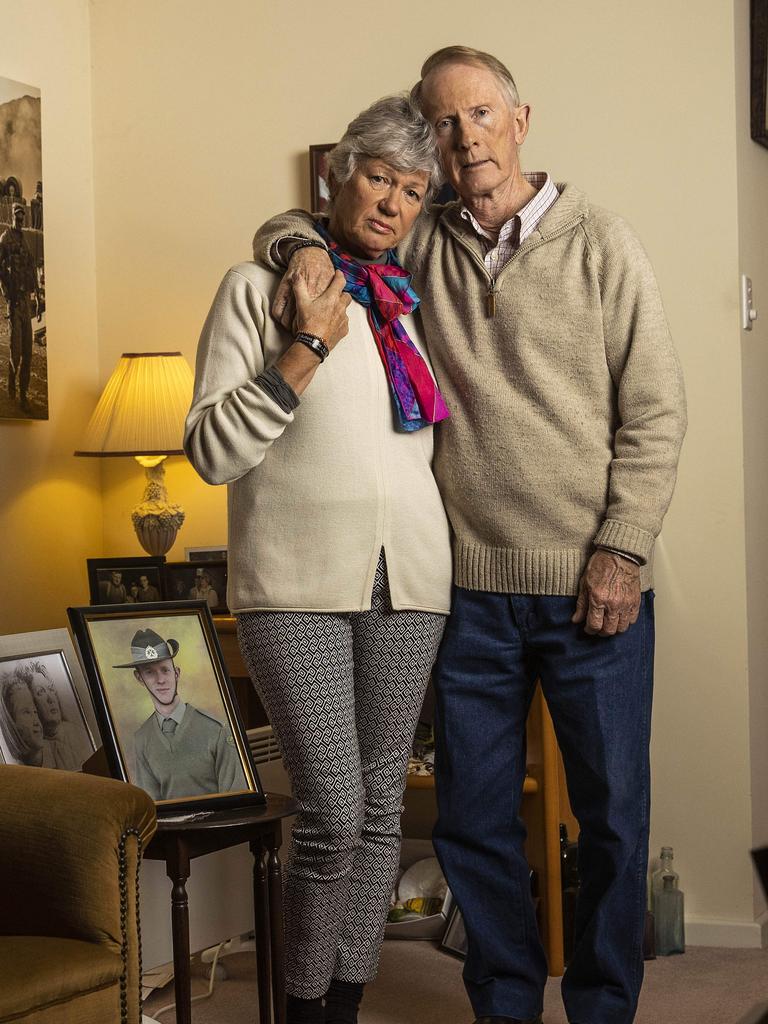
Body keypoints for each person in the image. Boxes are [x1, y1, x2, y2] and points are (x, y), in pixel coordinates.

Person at [253, 47, 687, 1024]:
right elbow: (304, 221)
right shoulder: (419, 244)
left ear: (521, 120)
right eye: (443, 124)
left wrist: (624, 547)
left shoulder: (601, 241)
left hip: (594, 584)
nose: (465, 138)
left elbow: (656, 411)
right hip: (467, 593)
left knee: (614, 816)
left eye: (481, 115)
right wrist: (300, 249)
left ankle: (606, 1002)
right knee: (473, 822)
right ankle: (503, 1002)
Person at [185, 94, 452, 1024]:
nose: (392, 204)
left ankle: (343, 1000)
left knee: (383, 813)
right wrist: (302, 349)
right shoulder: (258, 288)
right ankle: (302, 1008)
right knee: (332, 813)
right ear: (340, 171)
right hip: (293, 583)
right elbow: (213, 450)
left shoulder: (407, 309)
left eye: (413, 191)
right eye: (379, 177)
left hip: (412, 581)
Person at [114, 627, 247, 801]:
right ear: (139, 678)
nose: (160, 680)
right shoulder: (142, 739)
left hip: (216, 826)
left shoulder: (217, 729)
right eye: (149, 672)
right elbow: (150, 807)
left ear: (177, 673)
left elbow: (236, 801)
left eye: (165, 670)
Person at [0, 202, 42, 412]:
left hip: (26, 302)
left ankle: (23, 394)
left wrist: (38, 296)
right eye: (17, 216)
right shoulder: (5, 239)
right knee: (15, 352)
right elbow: (0, 271)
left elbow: (32, 267)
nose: (20, 219)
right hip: (15, 303)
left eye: (22, 217)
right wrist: (8, 296)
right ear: (12, 216)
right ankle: (11, 386)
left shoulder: (24, 240)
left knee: (27, 351)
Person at [22, 660, 92, 771]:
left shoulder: (79, 734)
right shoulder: (36, 750)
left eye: (50, 689)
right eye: (41, 692)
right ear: (32, 702)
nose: (50, 698)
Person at [0, 672, 53, 767]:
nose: (36, 722)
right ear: (11, 724)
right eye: (26, 712)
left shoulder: (61, 752)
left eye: (35, 711)